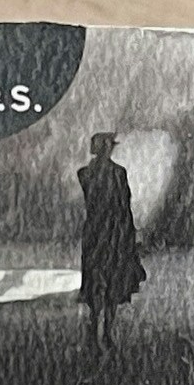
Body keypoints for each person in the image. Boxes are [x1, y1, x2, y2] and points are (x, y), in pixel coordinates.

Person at [75, 130, 144, 352]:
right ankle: (101, 332)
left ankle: (101, 332)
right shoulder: (113, 173)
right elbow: (123, 204)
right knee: (106, 281)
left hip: (101, 232)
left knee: (106, 281)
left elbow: (123, 205)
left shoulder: (88, 173)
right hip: (110, 231)